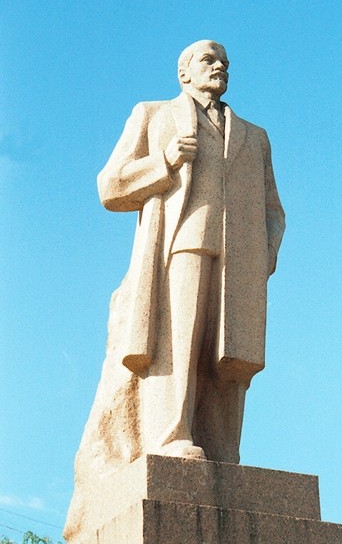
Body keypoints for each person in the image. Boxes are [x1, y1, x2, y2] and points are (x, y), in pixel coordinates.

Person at [96, 39, 285, 464]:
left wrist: (265, 256)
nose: (220, 66)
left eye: (225, 62)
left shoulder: (255, 137)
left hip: (240, 260)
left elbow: (274, 209)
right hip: (183, 245)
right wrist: (163, 161)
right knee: (177, 345)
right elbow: (110, 186)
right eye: (209, 59)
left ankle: (223, 449)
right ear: (184, 72)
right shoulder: (153, 115)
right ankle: (171, 434)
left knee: (228, 357)